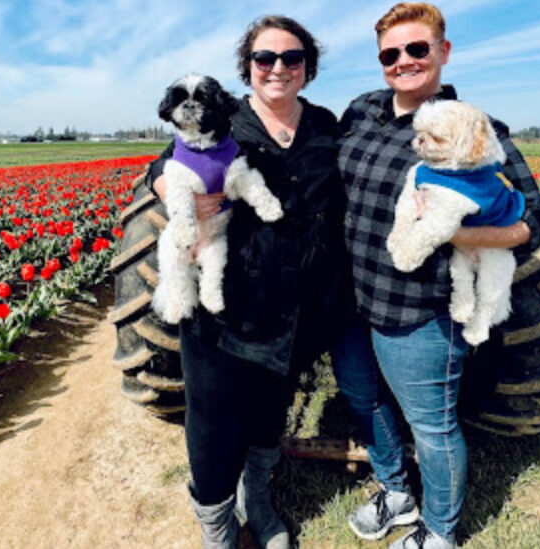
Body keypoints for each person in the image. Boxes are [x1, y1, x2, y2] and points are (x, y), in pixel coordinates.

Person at [333, 3, 540, 549]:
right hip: (347, 298)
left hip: (418, 308)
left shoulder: (473, 128)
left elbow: (533, 220)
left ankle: (440, 531)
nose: (403, 61)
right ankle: (395, 492)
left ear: (443, 52)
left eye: (417, 49)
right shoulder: (360, 112)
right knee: (366, 400)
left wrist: (457, 235)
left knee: (431, 426)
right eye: (391, 53)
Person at [147, 15, 349, 549]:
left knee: (268, 412)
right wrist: (166, 184)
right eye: (265, 58)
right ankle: (217, 529)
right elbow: (167, 164)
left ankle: (256, 501)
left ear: (308, 68)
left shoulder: (327, 126)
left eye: (292, 58)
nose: (278, 68)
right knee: (213, 423)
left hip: (293, 306)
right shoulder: (225, 120)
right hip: (225, 304)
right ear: (248, 67)